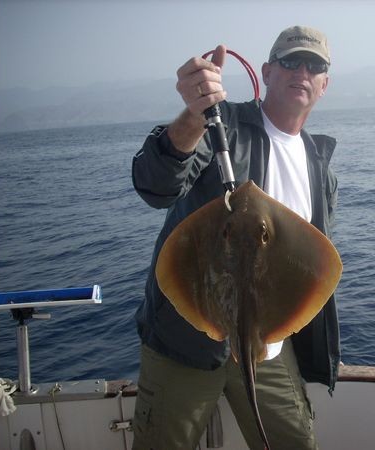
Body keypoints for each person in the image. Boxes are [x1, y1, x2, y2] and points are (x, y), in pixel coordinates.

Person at [131, 25, 340, 450]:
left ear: (324, 84)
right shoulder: (220, 124)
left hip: (269, 347)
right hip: (185, 342)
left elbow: (311, 266)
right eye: (290, 61)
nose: (302, 71)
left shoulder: (319, 165)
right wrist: (194, 116)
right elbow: (157, 186)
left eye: (314, 65)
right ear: (266, 72)